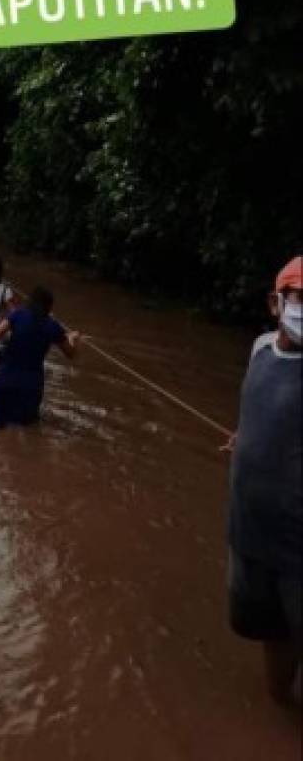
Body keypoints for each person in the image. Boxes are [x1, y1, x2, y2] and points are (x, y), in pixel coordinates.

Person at [225, 255, 302, 707]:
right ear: (277, 303)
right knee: (271, 637)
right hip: (250, 537)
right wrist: (245, 438)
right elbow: (261, 412)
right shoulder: (259, 349)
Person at [0, 286, 80, 427]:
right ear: (49, 307)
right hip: (30, 385)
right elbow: (70, 354)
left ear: (30, 301)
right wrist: (72, 338)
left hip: (6, 378)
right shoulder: (53, 326)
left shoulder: (18, 314)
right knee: (27, 429)